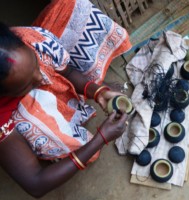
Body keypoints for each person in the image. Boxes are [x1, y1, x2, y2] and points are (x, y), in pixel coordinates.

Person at [0, 0, 131, 198]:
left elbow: (66, 71)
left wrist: (98, 92)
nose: (41, 77)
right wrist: (100, 138)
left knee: (72, 6)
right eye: (25, 85)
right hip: (13, 117)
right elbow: (36, 183)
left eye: (35, 64)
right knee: (38, 116)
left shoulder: (28, 39)